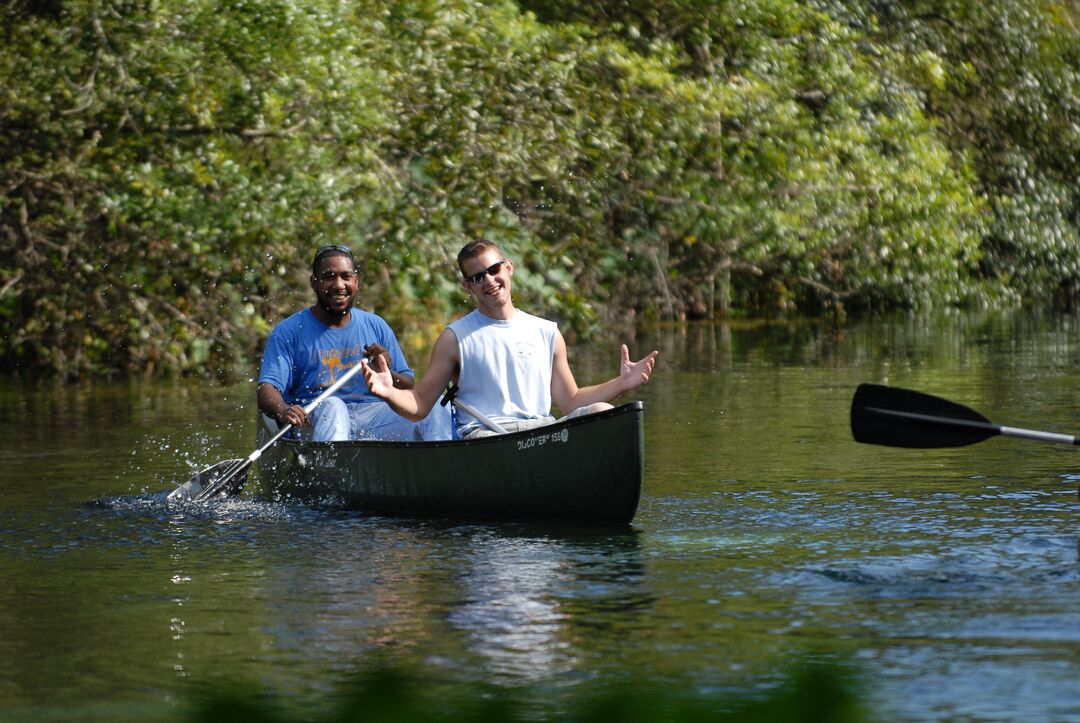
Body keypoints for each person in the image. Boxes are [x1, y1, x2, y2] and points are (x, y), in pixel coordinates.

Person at [362, 239, 658, 438]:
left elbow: (571, 402)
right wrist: (389, 392)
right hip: (486, 439)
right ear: (468, 286)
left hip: (540, 432)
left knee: (603, 413)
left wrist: (622, 384)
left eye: (493, 270)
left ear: (508, 268)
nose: (489, 281)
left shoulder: (547, 332)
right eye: (478, 277)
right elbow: (421, 404)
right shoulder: (454, 338)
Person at [257, 244, 451, 442]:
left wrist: (384, 372)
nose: (339, 285)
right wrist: (283, 410)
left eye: (346, 276)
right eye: (329, 276)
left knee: (435, 405)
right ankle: (332, 472)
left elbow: (407, 385)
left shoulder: (376, 325)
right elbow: (266, 389)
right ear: (314, 283)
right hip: (314, 420)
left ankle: (442, 467)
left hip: (374, 418)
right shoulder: (288, 331)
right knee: (334, 407)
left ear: (356, 282)